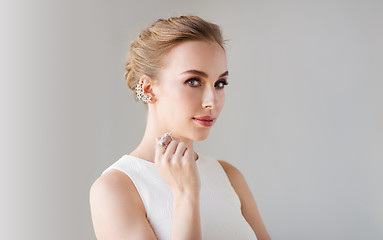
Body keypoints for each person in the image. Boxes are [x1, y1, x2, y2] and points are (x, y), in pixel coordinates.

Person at [89, 15, 271, 240]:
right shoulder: (116, 188)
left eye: (220, 83)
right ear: (147, 89)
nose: (212, 101)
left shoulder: (229, 176)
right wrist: (185, 195)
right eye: (193, 81)